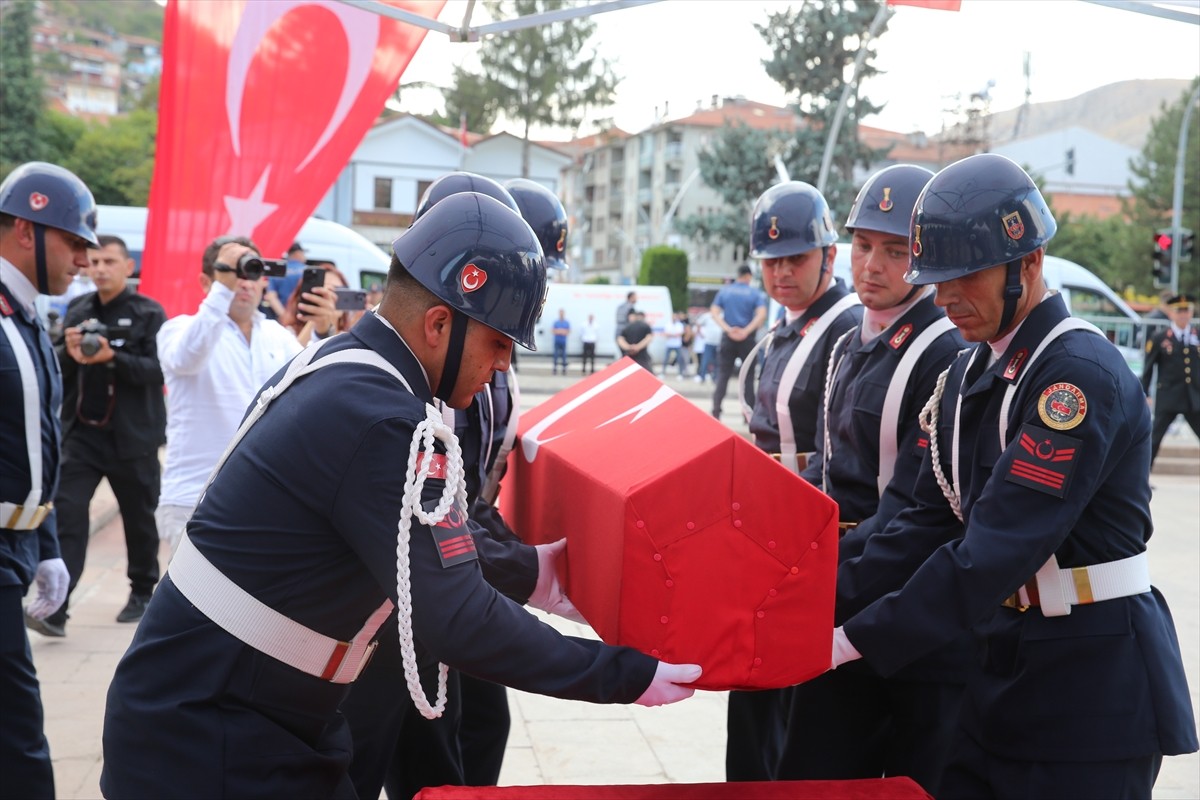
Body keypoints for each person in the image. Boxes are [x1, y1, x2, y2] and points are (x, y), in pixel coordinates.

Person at [100, 192, 700, 798]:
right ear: (440, 324)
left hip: (240, 711)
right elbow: (459, 619)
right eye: (498, 344)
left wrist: (532, 575)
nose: (499, 367)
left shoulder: (344, 369)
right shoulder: (383, 419)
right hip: (214, 737)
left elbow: (411, 538)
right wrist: (623, 674)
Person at [830, 153, 1198, 797]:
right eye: (936, 278)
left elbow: (993, 549)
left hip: (1091, 679)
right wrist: (809, 594)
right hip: (1003, 661)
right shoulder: (967, 374)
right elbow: (919, 521)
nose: (944, 297)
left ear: (1027, 263)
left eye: (965, 275)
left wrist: (847, 642)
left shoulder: (1074, 375)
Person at [346, 173, 575, 800]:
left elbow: (475, 485)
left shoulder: (484, 359)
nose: (500, 359)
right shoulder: (396, 385)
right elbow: (425, 508)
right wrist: (532, 576)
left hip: (450, 568)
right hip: (403, 589)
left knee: (475, 733)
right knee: (401, 747)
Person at [773, 166, 966, 793]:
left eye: (896, 250)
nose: (872, 266)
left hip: (906, 613)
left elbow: (918, 512)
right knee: (813, 775)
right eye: (862, 246)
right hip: (839, 592)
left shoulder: (945, 349)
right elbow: (829, 474)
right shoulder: (848, 340)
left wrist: (819, 583)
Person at [725, 181, 862, 782]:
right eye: (771, 260)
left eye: (795, 259)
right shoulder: (786, 326)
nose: (781, 272)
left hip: (810, 533)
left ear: (828, 256)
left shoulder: (849, 327)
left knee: (792, 715)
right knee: (751, 702)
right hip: (763, 534)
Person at [0, 162, 98, 799]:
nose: (84, 259)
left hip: (18, 547)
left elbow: (39, 447)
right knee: (20, 737)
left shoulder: (29, 316)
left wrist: (49, 543)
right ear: (22, 230)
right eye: (73, 241)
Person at [26, 234, 167, 639]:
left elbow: (158, 371)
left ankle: (142, 591)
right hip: (82, 437)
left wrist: (113, 357)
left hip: (132, 438)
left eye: (110, 261)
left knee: (140, 520)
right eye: (95, 261)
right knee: (67, 517)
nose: (100, 268)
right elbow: (53, 368)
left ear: (128, 267)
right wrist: (70, 353)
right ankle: (57, 606)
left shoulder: (148, 313)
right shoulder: (78, 309)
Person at [154, 235, 302, 554]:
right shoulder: (178, 330)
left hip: (262, 500)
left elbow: (310, 394)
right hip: (194, 498)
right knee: (194, 602)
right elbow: (187, 356)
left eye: (251, 273)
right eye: (235, 274)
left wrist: (320, 328)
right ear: (207, 282)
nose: (244, 283)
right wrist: (222, 289)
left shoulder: (279, 337)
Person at [1142, 293, 1199, 466]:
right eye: (1179, 311)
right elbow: (1148, 367)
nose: (1183, 314)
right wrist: (1145, 393)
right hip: (1169, 396)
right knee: (1154, 440)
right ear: (1171, 313)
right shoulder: (1161, 338)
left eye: (1186, 311)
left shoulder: (1197, 336)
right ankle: (1142, 477)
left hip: (1193, 397)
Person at [710, 264, 766, 419]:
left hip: (728, 338)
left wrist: (728, 329)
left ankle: (716, 410)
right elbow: (761, 315)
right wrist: (746, 331)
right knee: (748, 378)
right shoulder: (754, 293)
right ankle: (748, 415)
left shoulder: (725, 291)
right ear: (748, 276)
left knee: (723, 375)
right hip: (747, 339)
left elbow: (714, 312)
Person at [278, 262, 350, 347]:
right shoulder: (288, 333)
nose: (330, 298)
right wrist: (317, 317)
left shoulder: (348, 338)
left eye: (337, 291)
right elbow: (295, 356)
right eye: (323, 292)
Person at [263, 240, 306, 320]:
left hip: (283, 318)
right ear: (298, 254)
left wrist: (284, 316)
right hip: (303, 318)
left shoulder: (277, 271)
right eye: (303, 253)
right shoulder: (307, 271)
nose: (305, 257)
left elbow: (271, 296)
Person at [662, 310, 688, 378]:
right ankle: (663, 373)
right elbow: (666, 333)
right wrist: (674, 335)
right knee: (666, 359)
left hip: (677, 344)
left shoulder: (679, 324)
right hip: (669, 344)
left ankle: (680, 374)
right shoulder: (667, 324)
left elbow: (680, 333)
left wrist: (672, 334)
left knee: (679, 359)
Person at [615, 290, 637, 357]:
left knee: (624, 354)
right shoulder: (630, 308)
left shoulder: (620, 307)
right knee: (628, 355)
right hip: (626, 334)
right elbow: (632, 320)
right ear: (631, 297)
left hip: (618, 333)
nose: (636, 299)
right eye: (635, 297)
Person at [551, 309, 570, 374]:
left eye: (562, 313)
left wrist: (559, 331)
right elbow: (553, 331)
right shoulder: (556, 322)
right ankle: (555, 368)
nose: (561, 314)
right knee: (555, 355)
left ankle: (564, 369)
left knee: (564, 356)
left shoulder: (566, 322)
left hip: (563, 341)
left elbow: (568, 331)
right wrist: (561, 331)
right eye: (560, 313)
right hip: (557, 341)